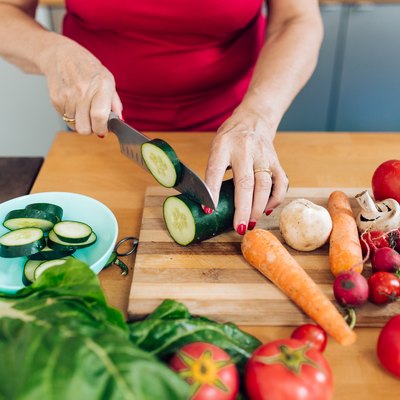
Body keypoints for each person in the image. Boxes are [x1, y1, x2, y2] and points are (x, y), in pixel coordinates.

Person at [0, 0, 323, 235]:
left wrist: (259, 116)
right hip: (101, 130)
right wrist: (50, 51)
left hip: (234, 132)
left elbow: (296, 19)